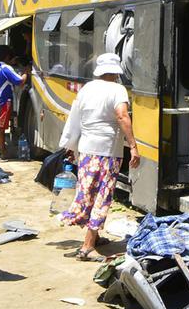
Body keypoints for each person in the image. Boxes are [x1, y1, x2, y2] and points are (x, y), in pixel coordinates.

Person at [58, 53, 140, 261]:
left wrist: (70, 145)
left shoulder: (86, 88)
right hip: (108, 150)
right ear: (116, 71)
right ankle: (87, 246)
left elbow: (74, 117)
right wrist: (133, 146)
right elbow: (122, 116)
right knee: (102, 195)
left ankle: (94, 237)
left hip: (86, 148)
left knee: (87, 192)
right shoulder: (117, 90)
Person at [0, 45, 25, 158]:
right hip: (3, 101)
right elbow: (19, 81)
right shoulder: (6, 68)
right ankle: (3, 152)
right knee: (1, 128)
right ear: (8, 56)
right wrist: (26, 72)